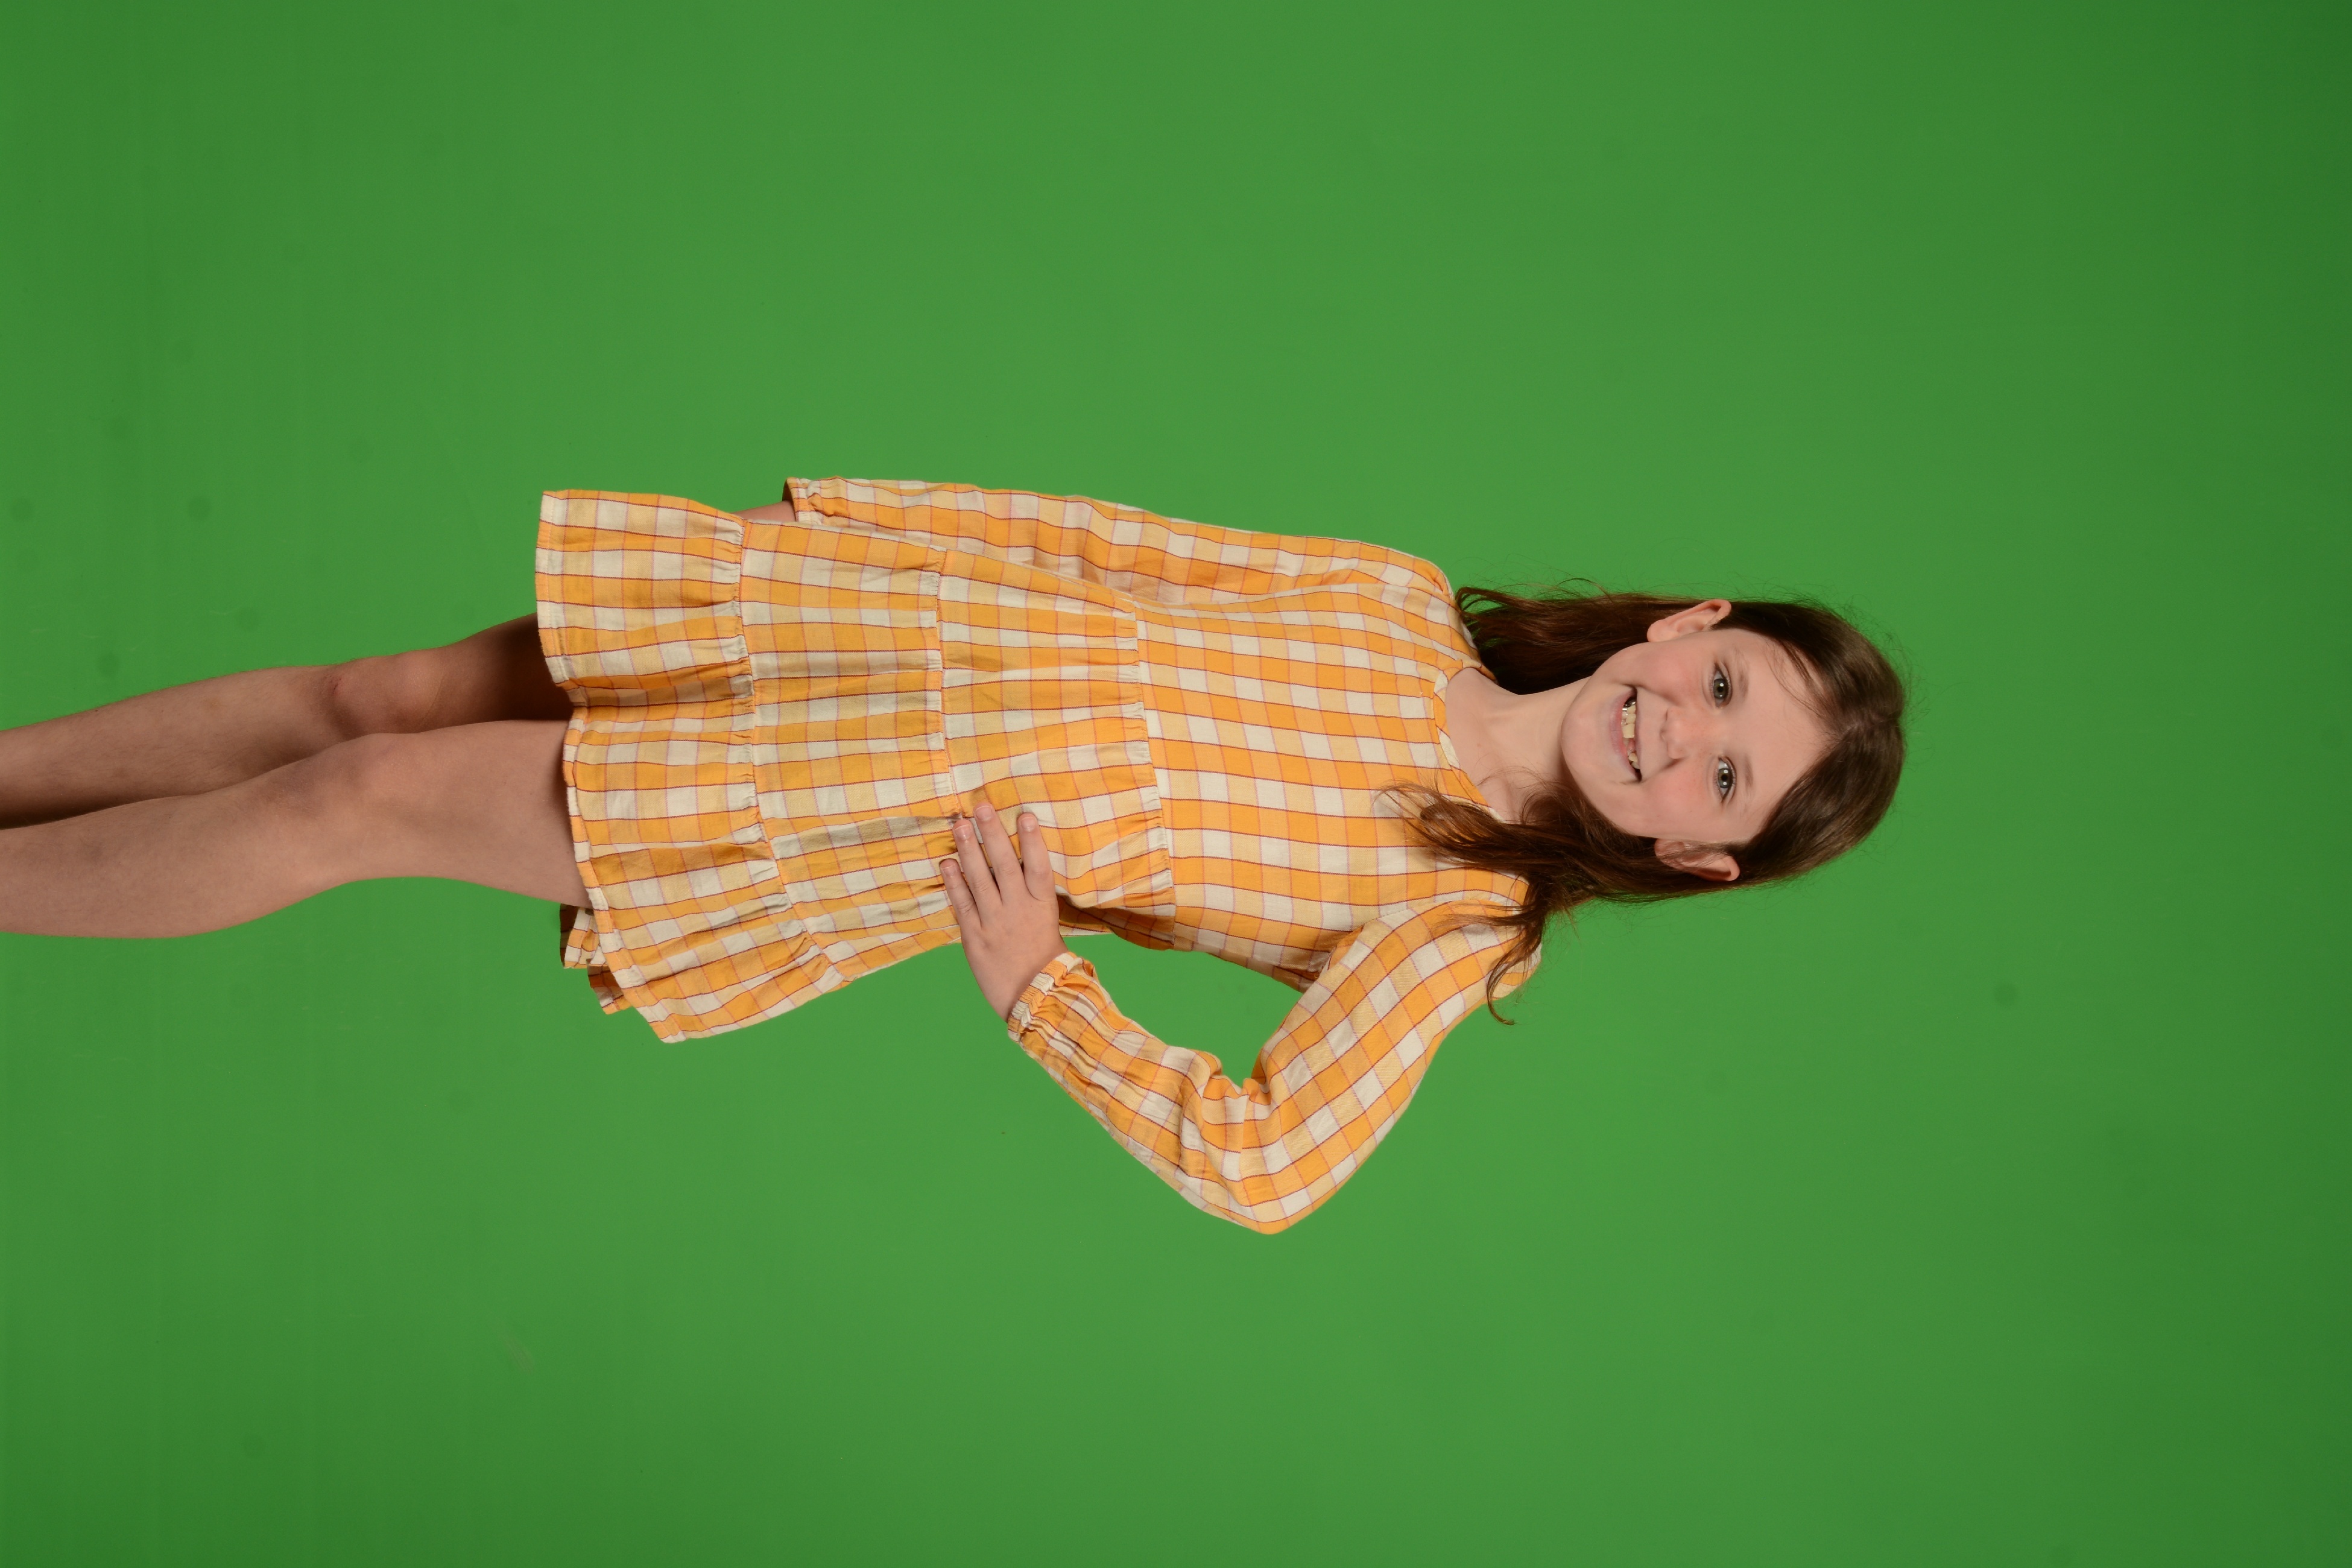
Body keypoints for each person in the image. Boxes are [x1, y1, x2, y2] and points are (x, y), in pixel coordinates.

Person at [0, 478, 1906, 1232]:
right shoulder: (1396, 604)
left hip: (820, 819)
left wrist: (1039, 991)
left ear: (1697, 855)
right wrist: (841, 521)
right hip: (841, 631)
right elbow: (1105, 544)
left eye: (1723, 779)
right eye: (1717, 686)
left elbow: (1268, 1162)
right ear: (1687, 625)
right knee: (372, 700)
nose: (1677, 735)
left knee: (352, 807)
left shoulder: (1463, 920)